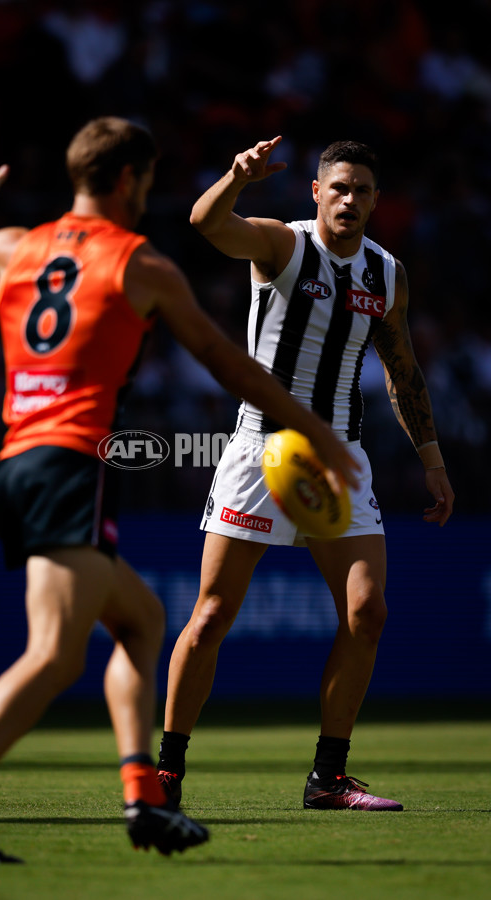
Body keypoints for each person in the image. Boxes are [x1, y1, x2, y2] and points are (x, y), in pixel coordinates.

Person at [0, 118, 359, 863]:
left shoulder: (18, 244)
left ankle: (143, 799)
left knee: (144, 621)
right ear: (128, 181)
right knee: (55, 656)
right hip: (65, 468)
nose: (148, 194)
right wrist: (314, 430)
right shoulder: (139, 263)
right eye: (148, 182)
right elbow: (231, 364)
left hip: (16, 465)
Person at [157, 136, 454, 812]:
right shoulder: (282, 245)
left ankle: (328, 778)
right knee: (209, 618)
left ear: (378, 202)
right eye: (339, 187)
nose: (350, 199)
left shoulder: (388, 275)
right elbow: (205, 225)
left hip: (340, 457)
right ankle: (166, 772)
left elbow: (402, 372)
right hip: (262, 451)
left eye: (363, 190)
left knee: (368, 611)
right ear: (315, 192)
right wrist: (235, 177)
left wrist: (432, 463)